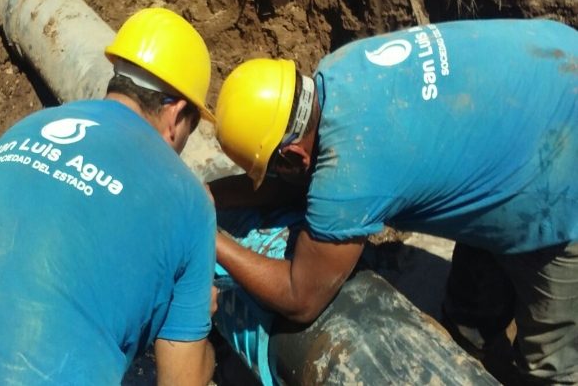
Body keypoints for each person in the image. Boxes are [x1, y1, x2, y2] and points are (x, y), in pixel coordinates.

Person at [209, 19, 577, 384]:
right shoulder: (340, 70)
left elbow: (301, 297)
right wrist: (205, 196)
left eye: (273, 170)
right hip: (547, 59)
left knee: (551, 362)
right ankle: (472, 338)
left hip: (561, 175)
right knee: (474, 291)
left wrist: (210, 236)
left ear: (294, 157)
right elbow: (296, 179)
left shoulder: (351, 170)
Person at [0, 8, 217, 385]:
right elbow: (182, 381)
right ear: (176, 114)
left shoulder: (27, 128)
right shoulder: (190, 202)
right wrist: (197, 321)